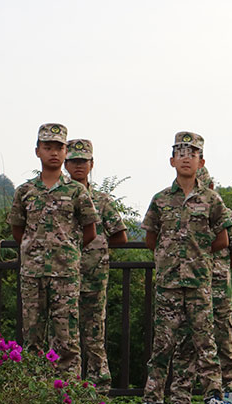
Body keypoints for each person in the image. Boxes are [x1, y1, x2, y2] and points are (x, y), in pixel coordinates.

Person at [141, 131, 229, 404]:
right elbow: (150, 237)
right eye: (181, 154)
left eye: (192, 154)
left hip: (199, 282)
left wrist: (197, 255)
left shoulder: (212, 200)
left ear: (201, 163)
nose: (186, 159)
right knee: (163, 344)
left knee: (205, 342)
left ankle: (213, 395)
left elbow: (223, 239)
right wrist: (170, 257)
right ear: (171, 161)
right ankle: (152, 397)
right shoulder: (161, 199)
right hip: (168, 282)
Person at [7, 124, 98, 376]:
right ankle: (36, 393)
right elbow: (18, 230)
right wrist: (34, 250)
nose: (54, 153)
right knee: (32, 340)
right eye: (48, 147)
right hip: (32, 276)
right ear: (38, 151)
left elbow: (90, 231)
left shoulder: (77, 191)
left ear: (65, 151)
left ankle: (68, 393)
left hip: (65, 277)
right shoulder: (25, 191)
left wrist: (68, 251)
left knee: (67, 341)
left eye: (59, 147)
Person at [170, 166, 232, 404]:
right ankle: (182, 393)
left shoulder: (226, 215)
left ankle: (228, 390)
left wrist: (217, 270)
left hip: (218, 285)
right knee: (187, 339)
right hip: (190, 283)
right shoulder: (180, 211)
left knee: (222, 338)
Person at [64, 139, 128, 393]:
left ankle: (97, 391)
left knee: (93, 336)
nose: (79, 166)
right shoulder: (57, 197)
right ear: (66, 164)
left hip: (93, 277)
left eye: (84, 161)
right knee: (62, 336)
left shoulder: (101, 200)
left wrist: (97, 248)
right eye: (74, 161)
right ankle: (63, 387)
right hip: (60, 276)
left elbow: (120, 235)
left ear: (92, 164)